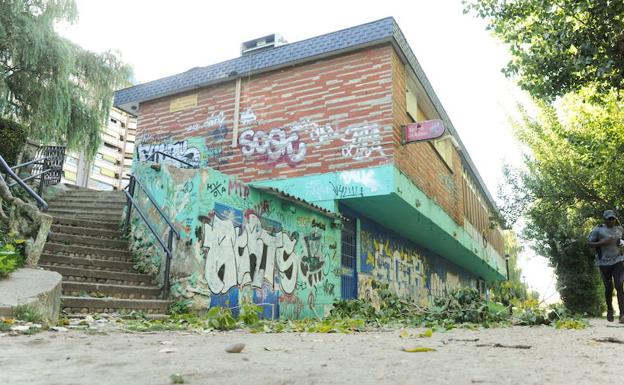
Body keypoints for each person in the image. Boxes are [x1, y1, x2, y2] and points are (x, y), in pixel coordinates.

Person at [587, 210, 624, 322]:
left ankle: (622, 314)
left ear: (615, 219)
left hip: (618, 260)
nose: (611, 221)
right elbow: (589, 243)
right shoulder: (598, 230)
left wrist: (622, 242)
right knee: (609, 288)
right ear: (604, 219)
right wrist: (603, 242)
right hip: (603, 263)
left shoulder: (620, 229)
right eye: (609, 219)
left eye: (612, 219)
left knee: (619, 285)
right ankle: (609, 310)